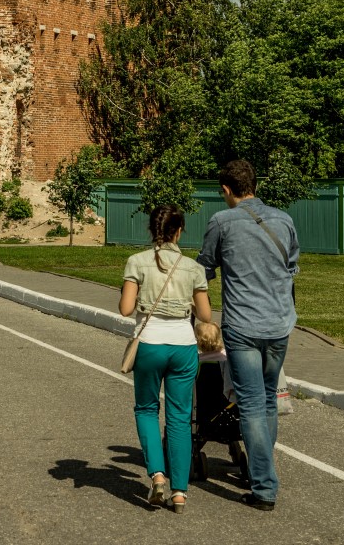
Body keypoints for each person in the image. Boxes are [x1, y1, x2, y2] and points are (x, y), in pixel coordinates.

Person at [198, 158, 300, 512]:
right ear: (254, 185)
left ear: (226, 190)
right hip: (280, 324)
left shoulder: (222, 222)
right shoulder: (283, 219)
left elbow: (203, 271)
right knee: (269, 398)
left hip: (243, 327)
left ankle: (264, 487)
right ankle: (261, 469)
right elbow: (292, 267)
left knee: (253, 405)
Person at [119, 204, 213, 512]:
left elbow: (125, 309)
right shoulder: (193, 268)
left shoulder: (137, 262)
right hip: (183, 346)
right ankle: (180, 492)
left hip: (150, 343)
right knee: (179, 418)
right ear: (179, 230)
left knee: (146, 409)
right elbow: (205, 314)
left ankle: (157, 476)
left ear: (152, 230)